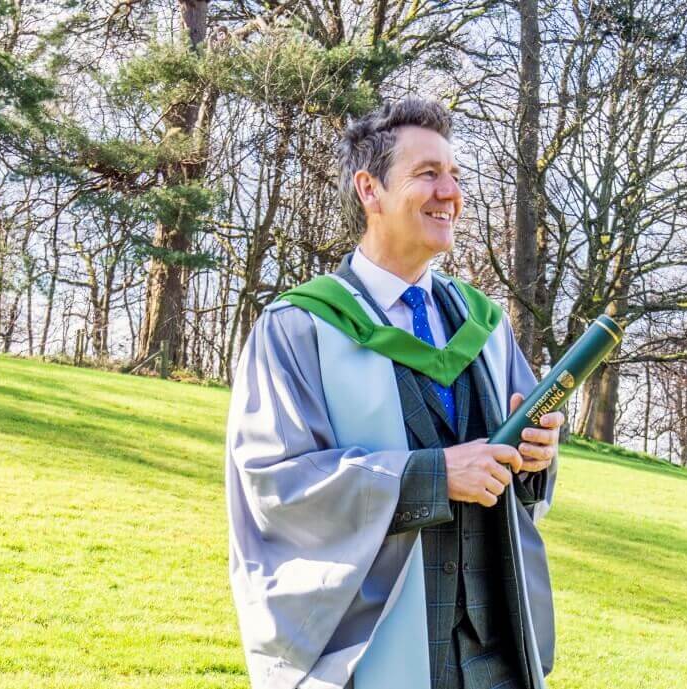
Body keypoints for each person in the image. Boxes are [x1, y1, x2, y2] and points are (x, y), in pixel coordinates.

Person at [225, 97, 563, 689]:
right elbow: (276, 483)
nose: (449, 192)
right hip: (371, 646)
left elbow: (523, 486)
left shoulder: (483, 326)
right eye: (427, 174)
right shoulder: (301, 327)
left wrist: (535, 458)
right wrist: (431, 476)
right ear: (369, 190)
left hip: (495, 654)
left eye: (454, 175)